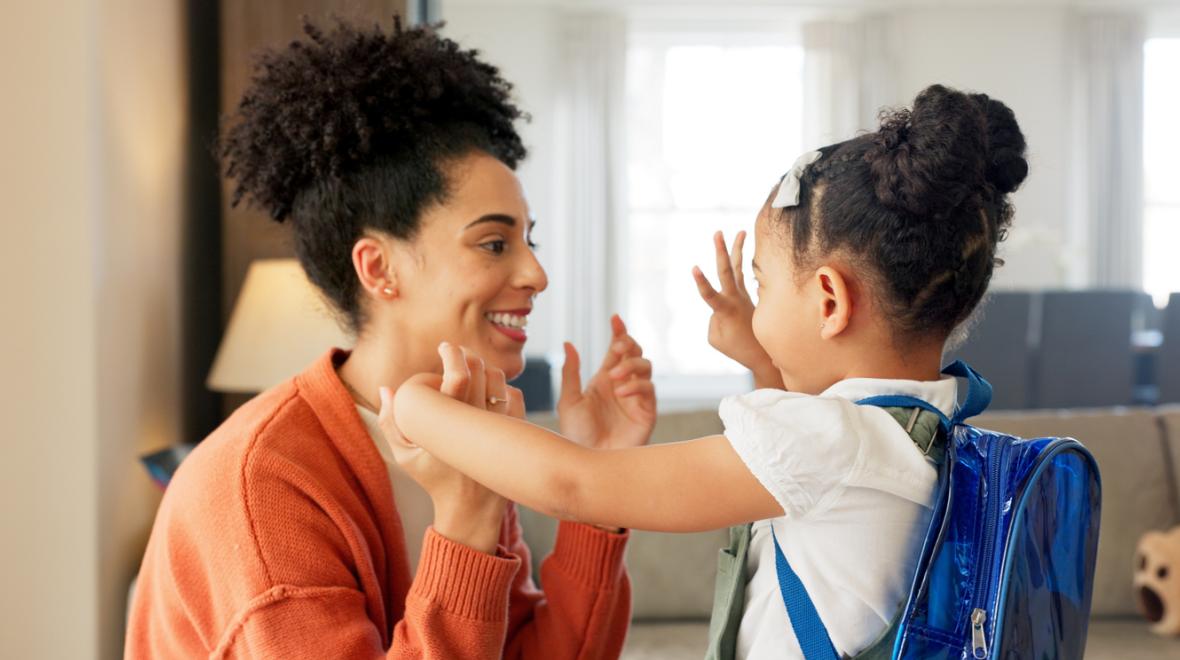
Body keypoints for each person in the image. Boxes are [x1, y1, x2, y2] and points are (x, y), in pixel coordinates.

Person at [382, 84, 1029, 659]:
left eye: (764, 282)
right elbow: (816, 481)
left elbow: (571, 484)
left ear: (829, 302)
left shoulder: (827, 445)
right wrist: (758, 353)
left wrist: (417, 405)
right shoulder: (926, 430)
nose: (758, 304)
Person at [126, 18, 656, 659]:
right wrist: (464, 525)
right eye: (494, 243)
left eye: (528, 239)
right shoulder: (263, 483)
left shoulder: (464, 428)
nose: (536, 273)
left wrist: (596, 485)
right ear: (379, 268)